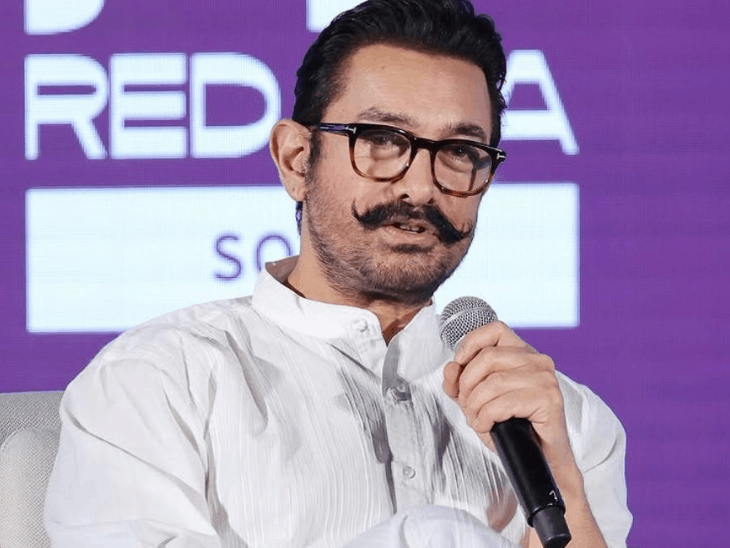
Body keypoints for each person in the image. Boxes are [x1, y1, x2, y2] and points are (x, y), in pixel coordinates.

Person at [44, 1, 632, 547]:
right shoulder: (158, 382)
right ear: (296, 160)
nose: (420, 186)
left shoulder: (562, 419)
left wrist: (563, 485)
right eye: (382, 140)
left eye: (459, 151)